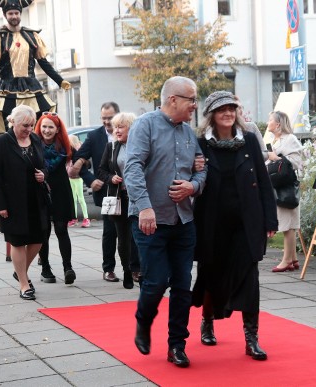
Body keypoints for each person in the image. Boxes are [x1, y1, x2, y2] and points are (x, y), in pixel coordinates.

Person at [124, 76, 207, 368]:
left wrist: (193, 187)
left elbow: (201, 170)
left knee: (183, 285)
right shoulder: (144, 125)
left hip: (184, 221)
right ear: (173, 99)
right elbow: (132, 166)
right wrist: (144, 208)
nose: (195, 106)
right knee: (157, 281)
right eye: (191, 99)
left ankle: (177, 345)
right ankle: (143, 322)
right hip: (150, 221)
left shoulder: (189, 133)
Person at [192, 91, 277, 360]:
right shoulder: (200, 144)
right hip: (212, 222)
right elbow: (188, 178)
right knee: (210, 275)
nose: (228, 114)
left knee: (250, 278)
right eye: (221, 110)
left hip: (246, 222)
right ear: (211, 116)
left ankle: (251, 338)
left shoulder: (249, 140)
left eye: (231, 109)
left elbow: (264, 182)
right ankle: (207, 321)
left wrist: (270, 219)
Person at [0, 0, 71, 145]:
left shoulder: (31, 36)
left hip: (30, 85)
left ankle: (37, 146)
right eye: (10, 13)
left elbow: (43, 63)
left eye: (16, 13)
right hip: (6, 87)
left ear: (20, 14)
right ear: (5, 15)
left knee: (44, 113)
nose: (14, 16)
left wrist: (60, 80)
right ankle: (1, 147)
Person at [0, 105, 48, 301]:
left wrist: (43, 174)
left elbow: (43, 163)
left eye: (32, 125)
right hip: (13, 201)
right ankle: (24, 284)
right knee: (18, 241)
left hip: (36, 198)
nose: (29, 129)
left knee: (39, 238)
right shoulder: (2, 142)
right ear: (13, 122)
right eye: (25, 125)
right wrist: (0, 205)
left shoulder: (36, 139)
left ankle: (20, 271)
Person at [70, 102, 120, 282]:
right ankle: (109, 269)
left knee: (131, 232)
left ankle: (134, 268)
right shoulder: (94, 136)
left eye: (110, 118)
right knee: (110, 231)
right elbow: (77, 158)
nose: (107, 122)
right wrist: (91, 181)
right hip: (107, 191)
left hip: (128, 190)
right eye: (104, 118)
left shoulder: (129, 132)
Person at [97, 112, 140, 289]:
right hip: (119, 198)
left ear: (132, 128)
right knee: (122, 239)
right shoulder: (112, 146)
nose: (116, 130)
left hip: (138, 198)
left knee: (138, 237)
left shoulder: (141, 146)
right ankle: (127, 270)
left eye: (121, 126)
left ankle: (138, 269)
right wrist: (110, 178)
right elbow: (101, 170)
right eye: (115, 127)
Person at [34, 112, 76, 285]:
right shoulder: (34, 145)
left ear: (57, 129)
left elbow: (81, 157)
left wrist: (81, 164)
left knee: (61, 229)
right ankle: (46, 269)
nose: (47, 130)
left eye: (50, 127)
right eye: (44, 126)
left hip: (60, 191)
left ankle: (68, 268)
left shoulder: (64, 146)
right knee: (44, 232)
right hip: (41, 191)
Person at [266, 111, 304, 272]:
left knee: (288, 225)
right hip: (278, 185)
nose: (268, 123)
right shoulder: (274, 140)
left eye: (270, 120)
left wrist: (275, 158)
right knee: (287, 222)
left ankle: (287, 260)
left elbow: (296, 162)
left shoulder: (290, 139)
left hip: (286, 186)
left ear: (278, 124)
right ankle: (293, 259)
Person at [67, 135, 90, 228]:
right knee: (73, 199)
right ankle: (74, 218)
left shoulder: (78, 151)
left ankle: (86, 218)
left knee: (80, 198)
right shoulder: (69, 151)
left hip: (78, 177)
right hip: (71, 177)